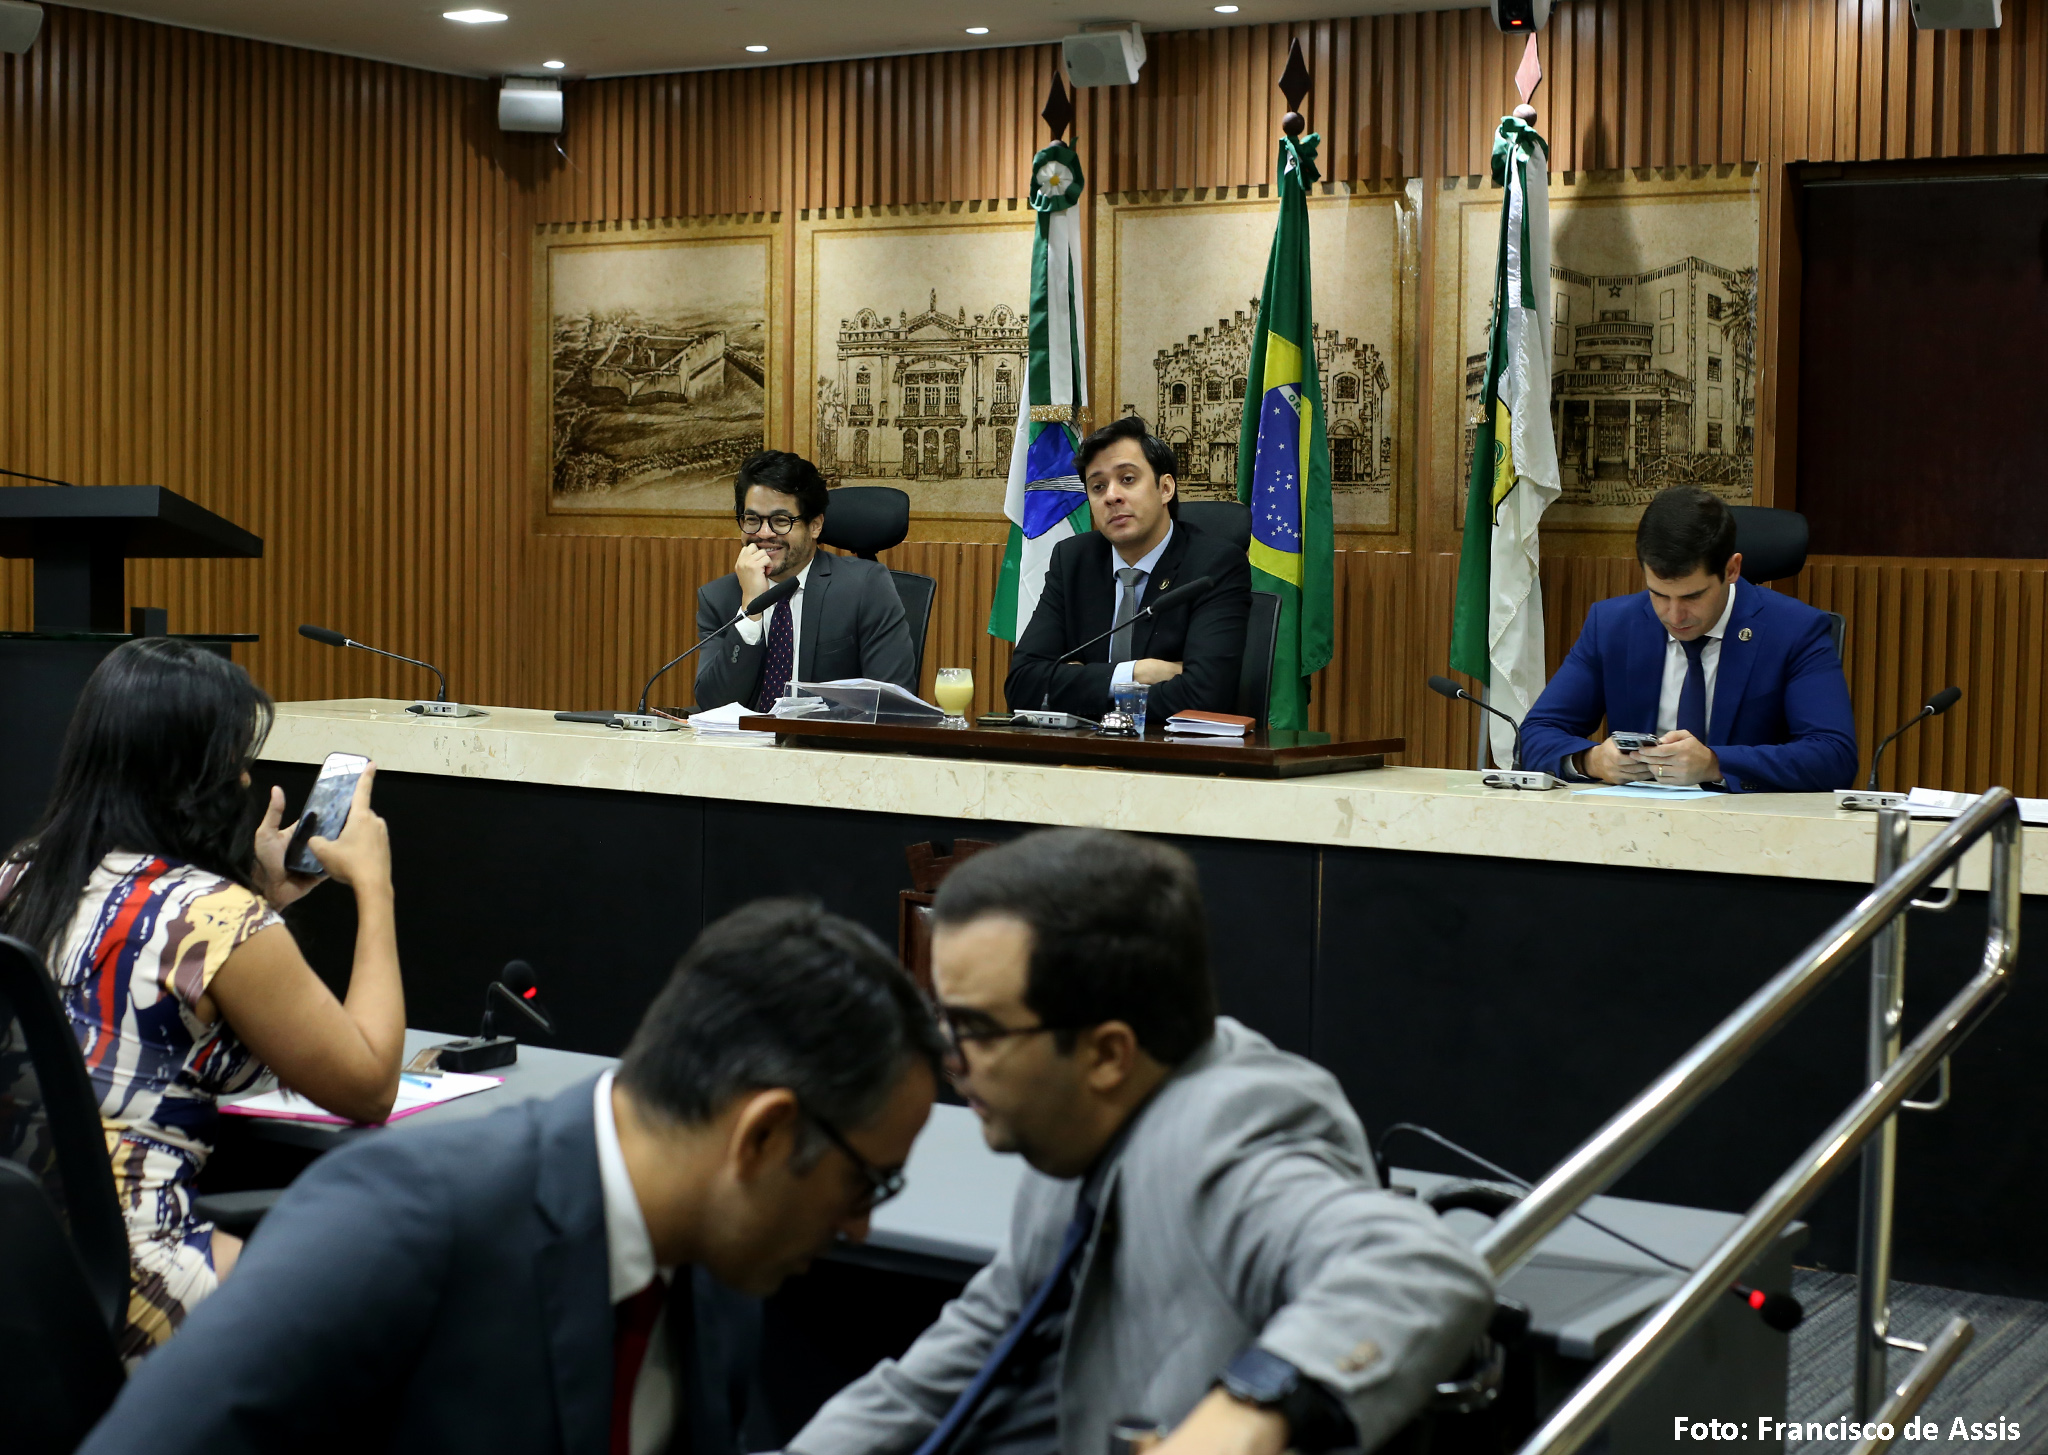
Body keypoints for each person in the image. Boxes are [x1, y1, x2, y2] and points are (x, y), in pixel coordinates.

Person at [76, 897, 943, 1455]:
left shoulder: (718, 1262)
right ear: (762, 1135)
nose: (859, 1227)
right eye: (866, 1183)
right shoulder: (402, 1224)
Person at [788, 829, 1494, 1455]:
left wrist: (1248, 1410)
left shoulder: (1228, 1131)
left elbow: (1416, 1266)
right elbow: (958, 1360)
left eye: (976, 1029)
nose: (950, 1055)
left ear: (1107, 1054)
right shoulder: (1076, 1127)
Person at [0, 637, 404, 1364]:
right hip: (138, 1281)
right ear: (194, 776)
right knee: (395, 1308)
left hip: (25, 1273)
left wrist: (263, 894)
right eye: (235, 760)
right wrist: (375, 888)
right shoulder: (213, 916)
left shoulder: (19, 878)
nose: (246, 778)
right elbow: (370, 1085)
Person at [1519, 486, 1857, 792]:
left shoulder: (1795, 630)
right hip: (1632, 824)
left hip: (1749, 827)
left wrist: (1715, 764)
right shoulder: (1612, 626)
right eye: (1659, 594)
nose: (1674, 615)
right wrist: (1590, 761)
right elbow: (1535, 735)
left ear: (1731, 570)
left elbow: (1834, 756)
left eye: (1692, 597)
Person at [1003, 417, 1252, 721]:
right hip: (1083, 746)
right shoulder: (1073, 560)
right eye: (1098, 486)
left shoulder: (1214, 566)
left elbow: (1205, 696)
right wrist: (1137, 673)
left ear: (1165, 488)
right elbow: (1023, 686)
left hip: (1173, 748)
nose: (1112, 496)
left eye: (1128, 479)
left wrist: (1082, 685)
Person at [694, 450, 920, 711]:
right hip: (747, 738)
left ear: (815, 526)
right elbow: (713, 706)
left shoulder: (865, 587)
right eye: (752, 520)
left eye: (781, 521)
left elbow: (889, 701)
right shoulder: (719, 597)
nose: (764, 534)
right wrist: (750, 611)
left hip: (829, 736)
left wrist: (804, 729)